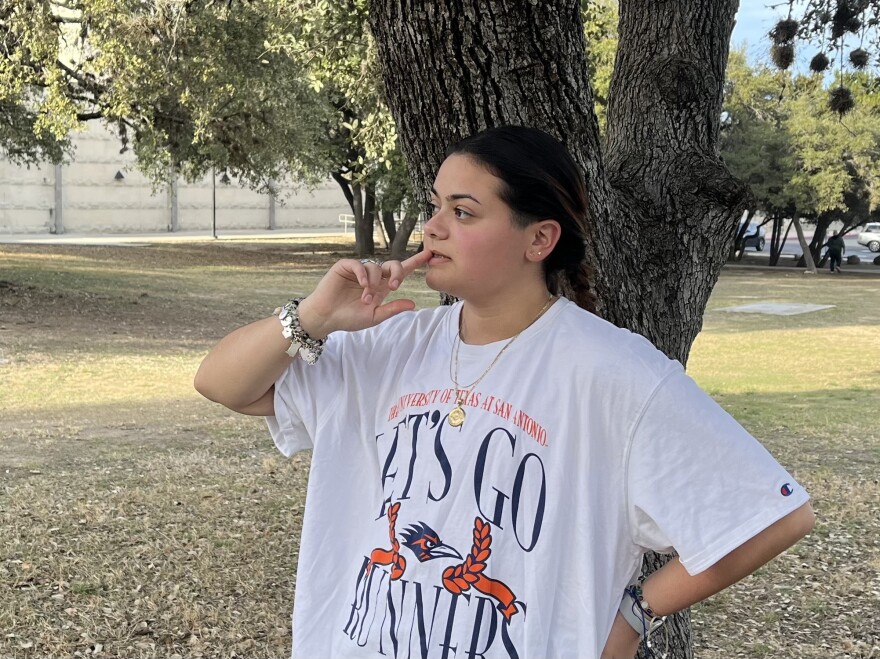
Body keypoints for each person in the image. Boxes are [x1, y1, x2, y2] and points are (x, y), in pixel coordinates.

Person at [195, 126, 814, 659]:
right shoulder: (387, 346)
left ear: (538, 240)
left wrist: (633, 614)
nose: (432, 228)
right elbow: (222, 384)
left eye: (462, 213)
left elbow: (773, 515)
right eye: (435, 206)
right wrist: (312, 316)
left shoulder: (614, 373)